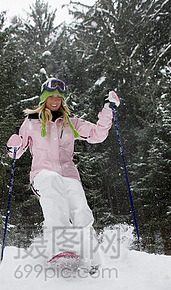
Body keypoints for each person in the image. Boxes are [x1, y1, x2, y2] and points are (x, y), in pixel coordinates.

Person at [7, 78, 119, 272]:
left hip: (68, 174)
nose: (55, 100)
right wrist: (13, 146)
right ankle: (59, 247)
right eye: (51, 96)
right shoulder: (31, 122)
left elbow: (97, 134)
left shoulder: (70, 123)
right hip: (42, 173)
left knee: (80, 209)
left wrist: (108, 111)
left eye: (59, 97)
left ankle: (91, 256)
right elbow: (17, 152)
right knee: (53, 187)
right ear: (44, 98)